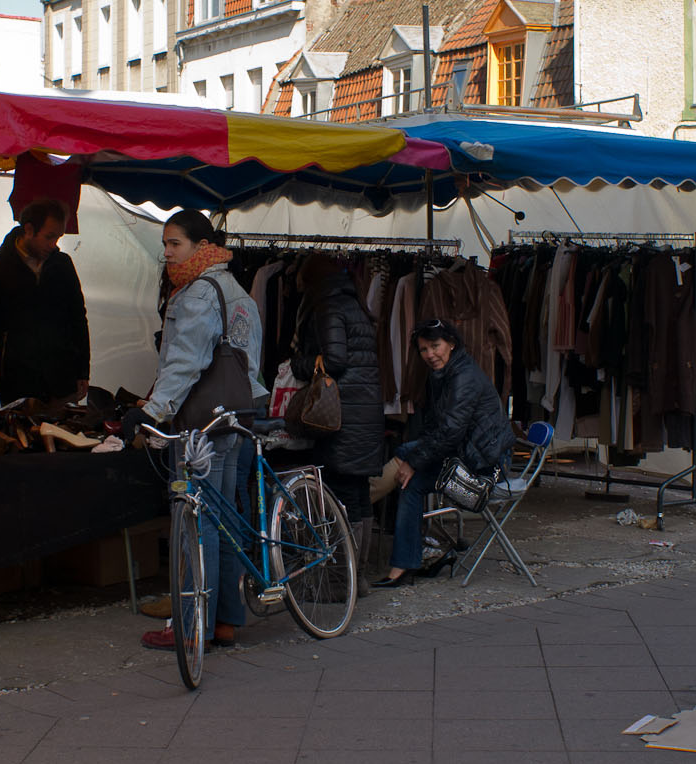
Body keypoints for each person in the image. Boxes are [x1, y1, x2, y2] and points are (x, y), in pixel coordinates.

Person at [119, 210, 267, 651]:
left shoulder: (197, 294)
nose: (166, 252)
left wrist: (155, 411)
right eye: (164, 244)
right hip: (234, 418)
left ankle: (189, 625)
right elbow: (249, 363)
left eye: (175, 244)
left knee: (193, 522)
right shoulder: (237, 290)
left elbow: (186, 360)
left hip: (200, 426)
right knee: (222, 521)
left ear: (201, 247)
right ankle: (224, 620)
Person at [372, 318, 512, 589]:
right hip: (465, 455)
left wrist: (413, 461)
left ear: (452, 344)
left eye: (435, 346)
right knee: (408, 483)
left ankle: (362, 501)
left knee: (405, 459)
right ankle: (404, 565)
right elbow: (437, 428)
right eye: (424, 350)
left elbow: (449, 432)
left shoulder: (463, 376)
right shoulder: (446, 373)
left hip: (485, 466)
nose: (430, 355)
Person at [289, 254, 385, 574]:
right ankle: (359, 573)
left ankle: (342, 578)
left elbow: (335, 360)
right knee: (357, 493)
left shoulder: (328, 305)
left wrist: (300, 364)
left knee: (341, 494)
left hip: (342, 415)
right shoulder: (353, 301)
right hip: (364, 412)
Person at [0, 197, 89, 410]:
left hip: (62, 382)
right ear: (29, 229)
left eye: (58, 237)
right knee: (21, 441)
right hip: (17, 384)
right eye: (49, 237)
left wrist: (82, 371)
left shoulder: (63, 265)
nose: (54, 245)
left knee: (66, 439)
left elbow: (78, 319)